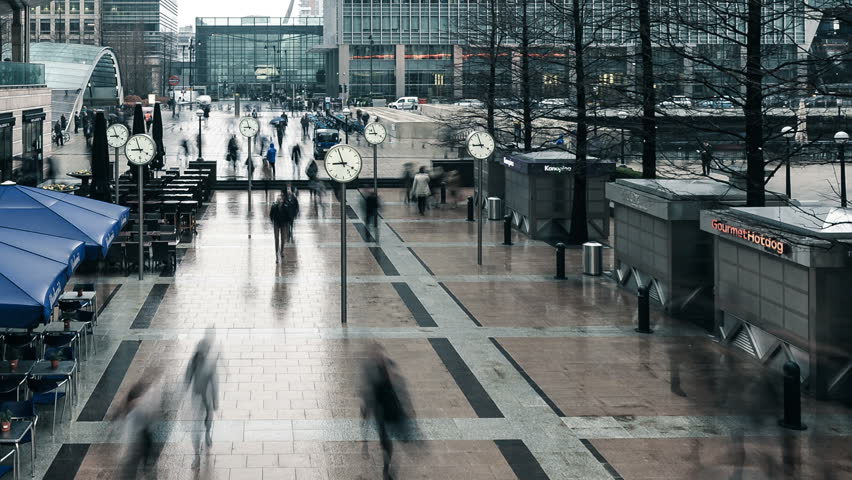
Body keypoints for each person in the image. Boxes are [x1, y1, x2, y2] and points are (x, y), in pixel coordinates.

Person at [361, 343, 415, 480]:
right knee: (386, 442)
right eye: (374, 354)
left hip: (393, 407)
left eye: (378, 353)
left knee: (399, 438)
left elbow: (400, 386)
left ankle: (388, 466)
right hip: (380, 411)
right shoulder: (369, 369)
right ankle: (387, 468)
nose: (377, 356)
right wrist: (365, 408)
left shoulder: (390, 364)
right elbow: (367, 391)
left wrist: (408, 406)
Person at [185, 333, 219, 465]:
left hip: (207, 398)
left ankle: (207, 434)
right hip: (197, 397)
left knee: (208, 420)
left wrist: (215, 401)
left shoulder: (210, 364)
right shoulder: (193, 362)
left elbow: (215, 383)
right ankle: (196, 455)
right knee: (195, 426)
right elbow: (187, 378)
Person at [120, 379, 159, 478]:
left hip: (140, 444)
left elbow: (130, 432)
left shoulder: (135, 412)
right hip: (143, 442)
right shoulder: (137, 411)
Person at [270, 191, 289, 261]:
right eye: (278, 199)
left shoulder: (285, 206)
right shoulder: (274, 206)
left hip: (283, 224)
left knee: (283, 239)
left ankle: (282, 251)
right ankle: (276, 253)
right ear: (277, 200)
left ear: (283, 200)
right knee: (276, 238)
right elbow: (271, 215)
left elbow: (288, 216)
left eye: (281, 199)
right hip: (276, 224)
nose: (280, 200)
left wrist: (287, 224)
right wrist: (273, 221)